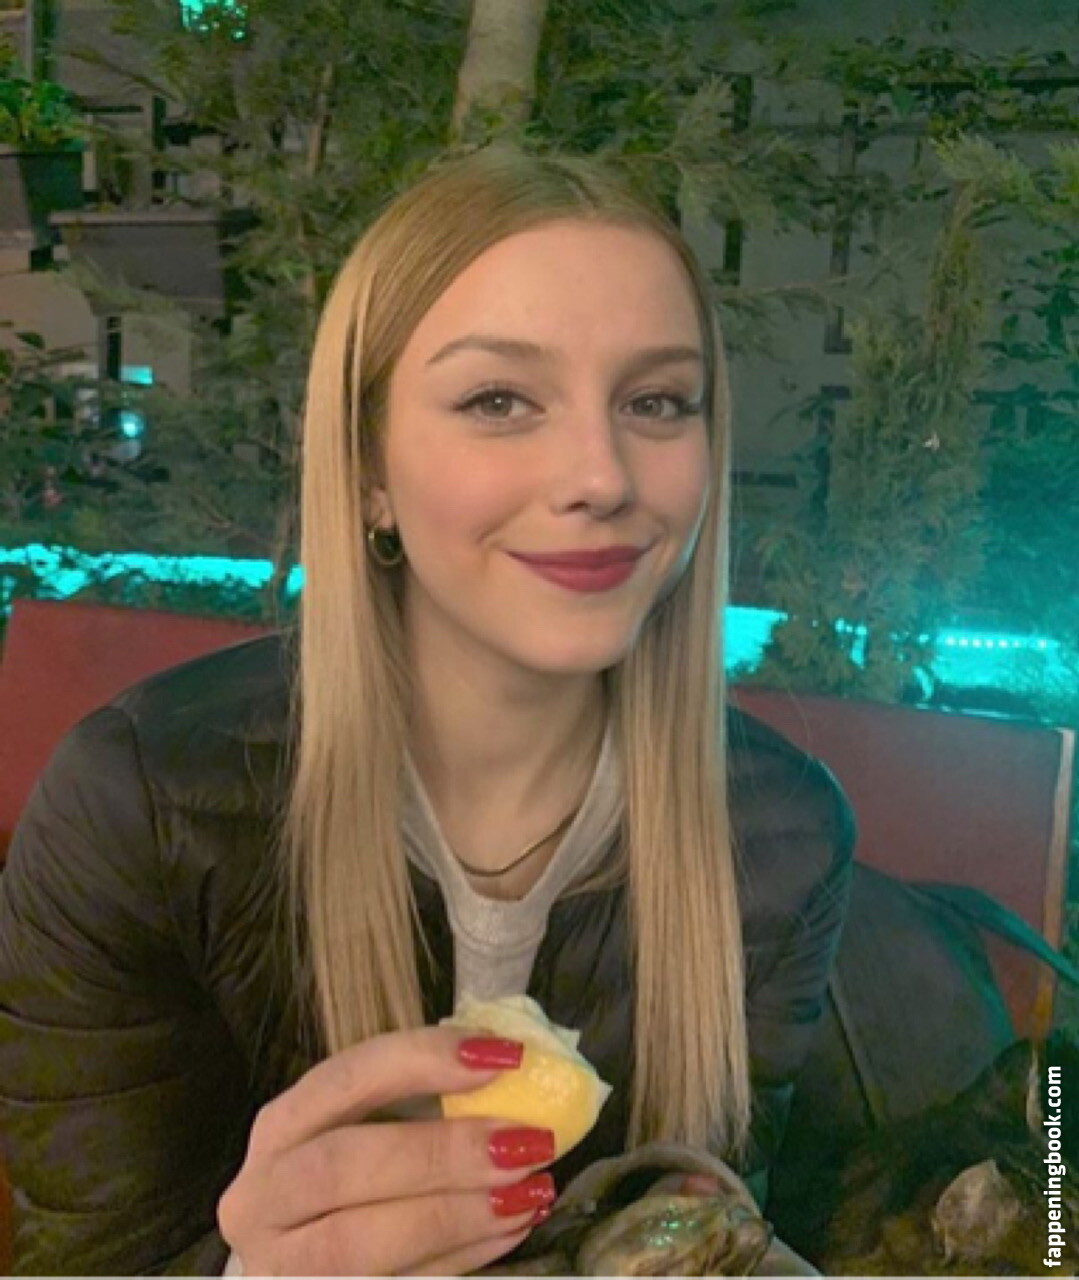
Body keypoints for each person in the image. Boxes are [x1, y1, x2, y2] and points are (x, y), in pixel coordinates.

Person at [0, 145, 854, 1276]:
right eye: (498, 400)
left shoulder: (779, 838)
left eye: (655, 401)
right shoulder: (139, 809)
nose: (601, 476)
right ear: (368, 467)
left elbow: (710, 1233)